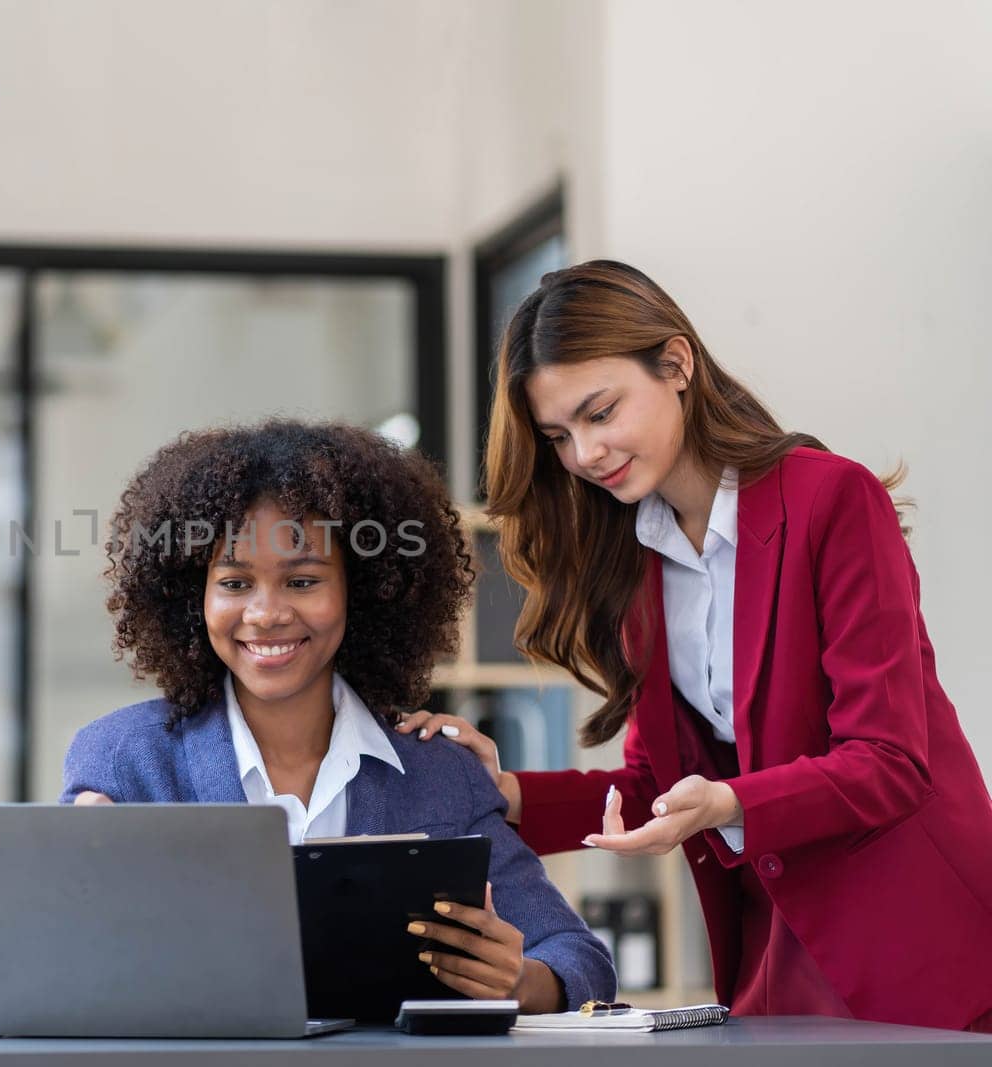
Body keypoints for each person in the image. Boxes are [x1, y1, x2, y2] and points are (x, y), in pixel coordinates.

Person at [399, 260, 992, 1031]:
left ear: (676, 364)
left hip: (916, 943)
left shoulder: (832, 500)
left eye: (601, 412)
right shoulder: (635, 557)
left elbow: (890, 762)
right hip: (773, 953)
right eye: (559, 436)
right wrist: (503, 792)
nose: (584, 454)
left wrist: (730, 802)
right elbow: (660, 782)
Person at [60, 419, 615, 1013]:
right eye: (234, 582)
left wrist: (519, 980)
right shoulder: (123, 759)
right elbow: (61, 967)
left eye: (303, 580)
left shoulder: (437, 774)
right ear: (193, 596)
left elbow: (579, 960)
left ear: (365, 589)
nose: (266, 613)